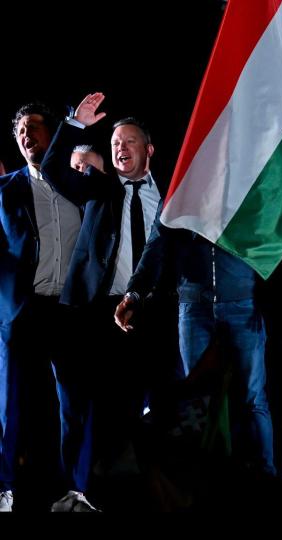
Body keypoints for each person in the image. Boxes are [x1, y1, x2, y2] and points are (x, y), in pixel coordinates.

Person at [113, 149, 282, 477]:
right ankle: (202, 482)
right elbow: (155, 248)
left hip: (242, 307)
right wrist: (134, 293)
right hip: (194, 310)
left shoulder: (248, 196)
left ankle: (265, 481)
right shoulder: (179, 197)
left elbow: (279, 245)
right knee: (196, 402)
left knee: (251, 398)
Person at [40, 93, 172, 509]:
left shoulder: (170, 196)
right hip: (98, 313)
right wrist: (75, 125)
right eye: (115, 142)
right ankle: (85, 493)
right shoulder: (99, 187)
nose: (120, 148)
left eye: (129, 141)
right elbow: (52, 169)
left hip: (153, 314)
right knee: (95, 407)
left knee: (149, 407)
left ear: (149, 150)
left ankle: (146, 492)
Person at [1, 103, 89, 511]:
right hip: (22, 310)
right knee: (9, 403)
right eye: (20, 129)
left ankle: (74, 490)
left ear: (53, 135)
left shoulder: (78, 186)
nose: (26, 134)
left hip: (69, 310)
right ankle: (4, 488)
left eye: (34, 126)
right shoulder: (4, 190)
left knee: (74, 404)